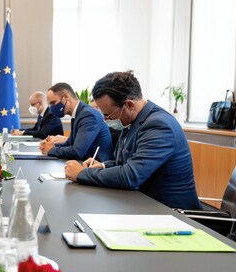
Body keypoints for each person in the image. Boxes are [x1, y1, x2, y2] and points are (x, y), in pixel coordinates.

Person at [65, 70, 201, 210]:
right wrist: (103, 166)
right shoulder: (133, 119)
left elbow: (130, 176)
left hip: (171, 213)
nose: (106, 120)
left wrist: (82, 173)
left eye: (108, 115)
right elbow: (126, 162)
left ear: (129, 105)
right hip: (142, 202)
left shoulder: (159, 126)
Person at [39, 82, 113, 161]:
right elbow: (69, 144)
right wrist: (50, 146)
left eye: (53, 103)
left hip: (96, 168)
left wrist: (50, 150)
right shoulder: (78, 114)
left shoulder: (88, 115)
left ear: (65, 97)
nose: (51, 108)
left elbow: (77, 151)